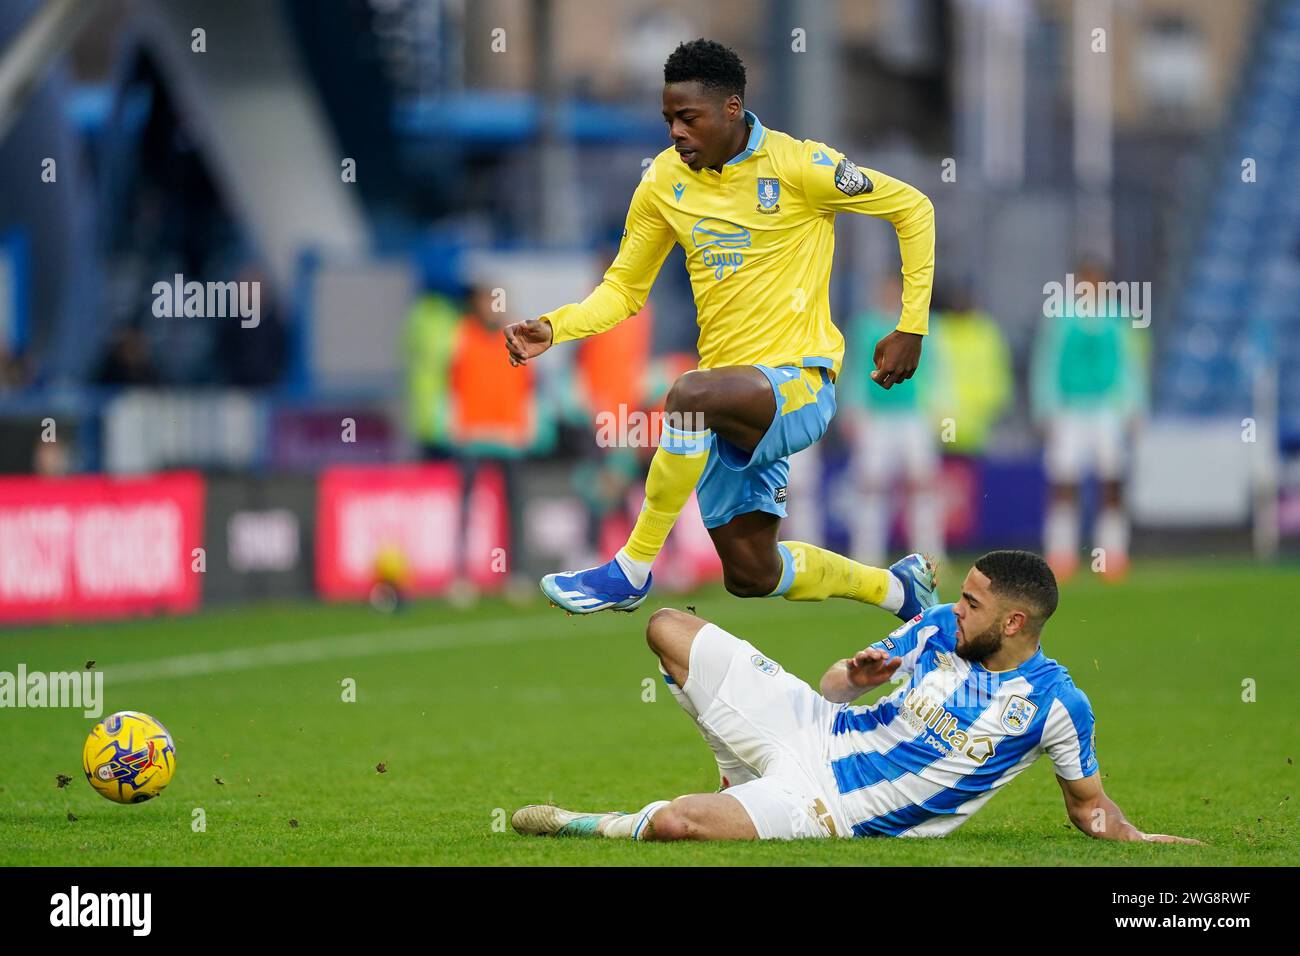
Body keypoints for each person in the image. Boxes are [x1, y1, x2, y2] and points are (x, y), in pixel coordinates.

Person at [504, 38, 938, 622]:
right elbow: (624, 291)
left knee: (685, 394)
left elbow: (913, 208)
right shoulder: (662, 182)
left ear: (732, 108)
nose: (675, 132)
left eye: (688, 118)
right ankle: (895, 590)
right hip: (729, 402)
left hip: (799, 385)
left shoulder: (800, 166)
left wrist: (910, 326)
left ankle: (631, 569)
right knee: (752, 573)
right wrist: (556, 327)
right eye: (668, 120)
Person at [511, 550, 1200, 844]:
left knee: (675, 825)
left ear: (1014, 623)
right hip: (820, 726)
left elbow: (1089, 809)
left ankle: (580, 823)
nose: (953, 607)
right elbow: (832, 687)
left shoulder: (1057, 706)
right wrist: (858, 674)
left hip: (832, 808)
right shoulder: (935, 628)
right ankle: (739, 773)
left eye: (971, 602)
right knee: (669, 628)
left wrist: (1141, 839)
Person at [1031, 261, 1148, 581]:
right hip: (1069, 410)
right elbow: (1047, 362)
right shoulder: (1061, 318)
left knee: (1111, 480)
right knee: (1064, 482)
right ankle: (1061, 552)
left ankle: (1112, 552)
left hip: (1107, 409)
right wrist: (1045, 406)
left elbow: (1130, 363)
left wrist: (1134, 405)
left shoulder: (1115, 318)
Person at [842, 274, 946, 565]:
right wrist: (853, 409)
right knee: (871, 484)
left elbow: (936, 368)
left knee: (922, 482)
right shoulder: (864, 326)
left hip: (914, 414)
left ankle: (929, 555)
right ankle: (866, 556)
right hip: (876, 416)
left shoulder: (924, 325)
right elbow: (855, 369)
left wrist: (939, 407)